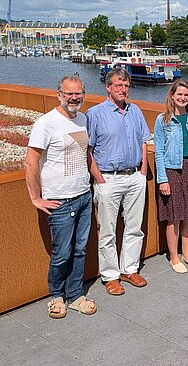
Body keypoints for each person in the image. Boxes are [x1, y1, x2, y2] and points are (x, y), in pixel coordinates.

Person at [25, 75, 96, 318]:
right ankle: (56, 295)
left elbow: (85, 154)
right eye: (69, 94)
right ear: (59, 95)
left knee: (80, 250)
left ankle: (75, 295)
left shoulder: (84, 119)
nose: (74, 98)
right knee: (62, 252)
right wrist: (36, 197)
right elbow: (31, 161)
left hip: (84, 195)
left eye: (78, 94)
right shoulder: (46, 123)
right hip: (60, 200)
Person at [87, 68, 151, 296]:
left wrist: (143, 171)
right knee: (108, 231)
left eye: (126, 86)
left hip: (134, 176)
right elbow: (89, 150)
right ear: (108, 87)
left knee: (135, 228)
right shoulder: (95, 114)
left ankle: (130, 269)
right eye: (118, 85)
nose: (123, 90)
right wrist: (100, 180)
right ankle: (111, 276)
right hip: (109, 179)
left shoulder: (135, 111)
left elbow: (144, 141)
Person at [154, 80, 188, 274]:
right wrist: (162, 179)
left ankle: (187, 254)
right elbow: (158, 151)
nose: (183, 98)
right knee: (174, 216)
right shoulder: (163, 119)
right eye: (179, 94)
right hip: (172, 169)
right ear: (172, 96)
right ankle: (174, 257)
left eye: (186, 95)